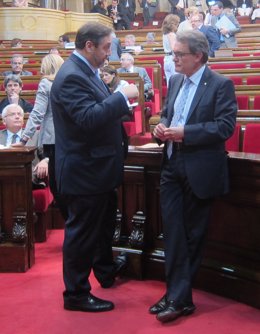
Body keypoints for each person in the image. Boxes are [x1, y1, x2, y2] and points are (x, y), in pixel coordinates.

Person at [50, 22, 139, 312]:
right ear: (89, 45)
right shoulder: (72, 76)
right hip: (84, 171)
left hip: (96, 168)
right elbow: (88, 118)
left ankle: (105, 270)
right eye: (105, 48)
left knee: (100, 227)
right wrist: (122, 96)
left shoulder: (84, 71)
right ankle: (75, 294)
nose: (108, 55)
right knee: (82, 233)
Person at [150, 30, 237, 323]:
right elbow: (166, 114)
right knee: (173, 234)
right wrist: (160, 128)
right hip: (172, 164)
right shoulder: (175, 80)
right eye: (173, 54)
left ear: (197, 56)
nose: (173, 59)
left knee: (193, 236)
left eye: (179, 54)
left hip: (201, 170)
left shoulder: (220, 85)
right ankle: (176, 294)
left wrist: (186, 133)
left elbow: (224, 127)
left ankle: (178, 297)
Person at [14, 54, 67, 219]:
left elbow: (37, 113)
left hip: (52, 140)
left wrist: (23, 139)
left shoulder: (46, 83)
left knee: (58, 187)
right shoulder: (67, 82)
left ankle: (71, 225)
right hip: (69, 139)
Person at [0, 104, 49, 187]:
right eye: (12, 114)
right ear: (4, 121)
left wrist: (45, 161)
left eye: (19, 114)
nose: (17, 117)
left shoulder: (36, 135)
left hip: (28, 176)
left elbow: (48, 154)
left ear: (23, 120)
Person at [162, 14, 180, 86]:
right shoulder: (171, 34)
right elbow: (174, 48)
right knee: (176, 82)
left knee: (169, 82)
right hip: (172, 59)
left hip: (166, 58)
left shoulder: (164, 34)